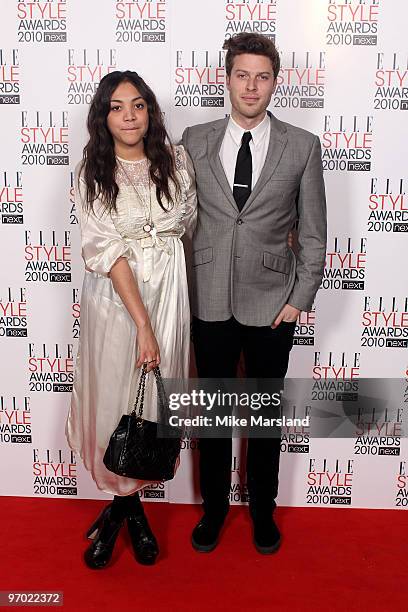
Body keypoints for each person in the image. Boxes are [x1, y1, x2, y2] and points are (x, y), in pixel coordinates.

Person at [182, 33, 327, 554]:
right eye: (241, 75)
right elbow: (178, 220)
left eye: (261, 76)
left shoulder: (303, 146)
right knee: (216, 416)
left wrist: (299, 300)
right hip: (209, 300)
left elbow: (313, 234)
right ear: (226, 79)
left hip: (274, 303)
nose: (251, 85)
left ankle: (262, 512)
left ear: (275, 82)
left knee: (264, 418)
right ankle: (214, 511)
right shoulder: (193, 140)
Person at [65, 70, 197, 569]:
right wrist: (142, 323)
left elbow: (185, 223)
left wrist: (162, 300)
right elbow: (106, 248)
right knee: (116, 401)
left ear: (150, 112)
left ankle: (122, 511)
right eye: (117, 107)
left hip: (169, 296)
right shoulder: (91, 173)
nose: (129, 116)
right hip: (118, 305)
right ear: (103, 116)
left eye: (138, 106)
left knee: (151, 406)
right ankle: (127, 514)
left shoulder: (176, 163)